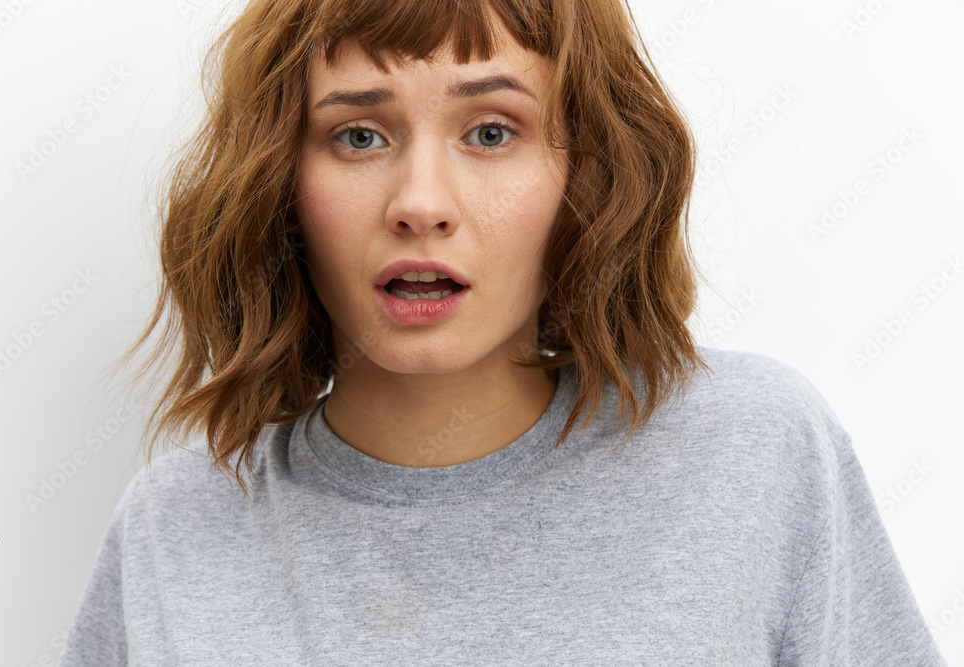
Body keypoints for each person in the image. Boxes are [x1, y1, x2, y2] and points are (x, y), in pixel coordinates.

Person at [60, 0, 948, 664]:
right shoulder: (175, 528)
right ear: (281, 187)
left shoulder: (757, 454)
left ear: (587, 177)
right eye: (360, 135)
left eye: (491, 131)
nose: (420, 205)